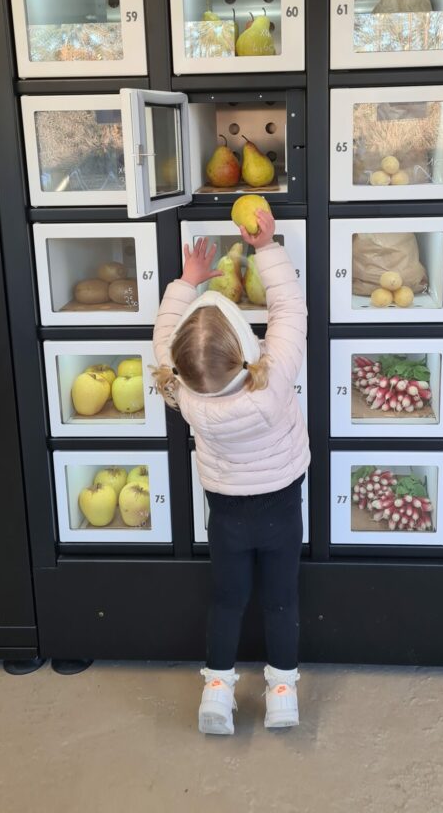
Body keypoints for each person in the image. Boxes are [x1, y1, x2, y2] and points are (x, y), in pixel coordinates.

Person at [151, 209, 310, 735]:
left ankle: (217, 689)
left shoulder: (179, 388)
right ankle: (282, 691)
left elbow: (163, 339)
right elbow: (289, 309)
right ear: (245, 342)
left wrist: (186, 281)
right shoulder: (275, 375)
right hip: (281, 507)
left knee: (227, 598)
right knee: (281, 598)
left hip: (227, 515)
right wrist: (266, 246)